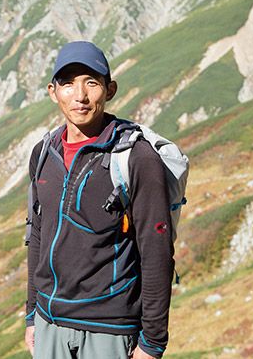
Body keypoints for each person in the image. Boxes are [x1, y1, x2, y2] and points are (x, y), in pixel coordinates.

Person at [24, 42, 174, 358]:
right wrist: (31, 314)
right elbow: (37, 235)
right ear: (53, 92)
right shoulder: (42, 154)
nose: (80, 95)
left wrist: (153, 341)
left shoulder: (136, 158)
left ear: (110, 90)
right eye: (68, 83)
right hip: (49, 322)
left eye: (91, 82)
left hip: (110, 328)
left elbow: (157, 249)